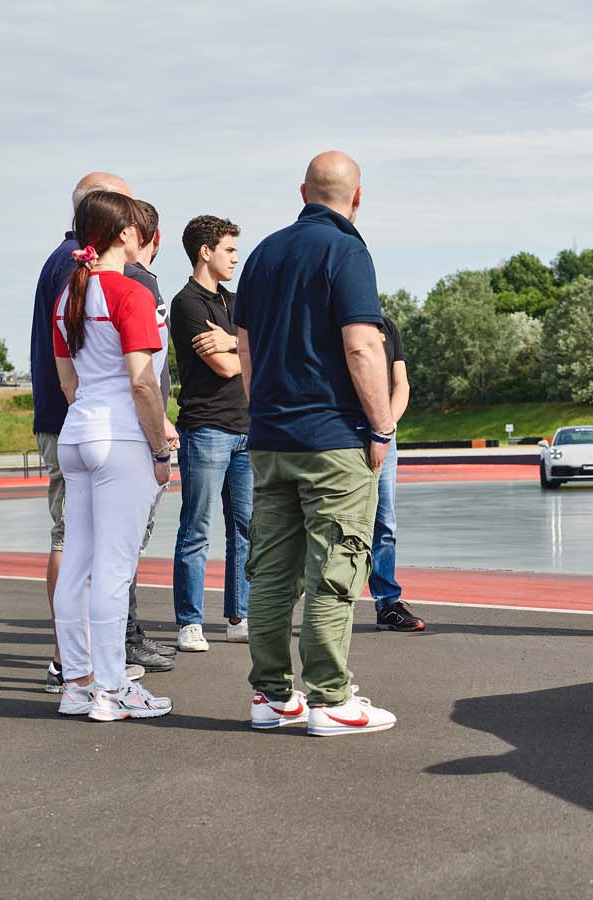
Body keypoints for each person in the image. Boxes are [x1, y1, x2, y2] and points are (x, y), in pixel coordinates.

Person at [235, 151, 397, 736]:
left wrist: (262, 411)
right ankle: (330, 699)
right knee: (335, 566)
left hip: (270, 437)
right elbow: (361, 345)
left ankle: (271, 695)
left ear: (303, 191)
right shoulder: (347, 250)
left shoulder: (261, 255)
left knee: (272, 571)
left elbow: (245, 349)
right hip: (331, 437)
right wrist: (381, 427)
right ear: (358, 199)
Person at [30, 172, 172, 692]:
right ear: (122, 235)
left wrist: (89, 413)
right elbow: (144, 384)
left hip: (78, 432)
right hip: (119, 437)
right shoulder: (131, 293)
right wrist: (159, 446)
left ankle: (76, 682)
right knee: (114, 566)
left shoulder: (70, 292)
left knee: (78, 563)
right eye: (136, 227)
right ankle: (113, 687)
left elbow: (68, 380)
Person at [169, 215, 251, 651]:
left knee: (245, 528)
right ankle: (189, 623)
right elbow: (225, 367)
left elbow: (264, 352)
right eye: (230, 249)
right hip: (205, 430)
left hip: (245, 431)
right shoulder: (187, 303)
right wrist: (237, 348)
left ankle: (238, 617)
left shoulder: (238, 303)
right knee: (196, 527)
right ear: (206, 251)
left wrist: (231, 341)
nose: (236, 257)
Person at [121, 200, 177, 673]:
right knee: (127, 542)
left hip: (102, 425)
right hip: (133, 429)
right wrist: (159, 433)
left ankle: (107, 648)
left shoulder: (84, 284)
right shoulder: (137, 284)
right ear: (151, 238)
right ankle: (123, 644)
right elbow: (145, 375)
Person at [370, 315, 425, 632]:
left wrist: (385, 428)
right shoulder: (331, 322)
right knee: (331, 523)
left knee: (384, 522)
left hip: (385, 436)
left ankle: (387, 604)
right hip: (340, 435)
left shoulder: (387, 327)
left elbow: (401, 383)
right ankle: (322, 607)